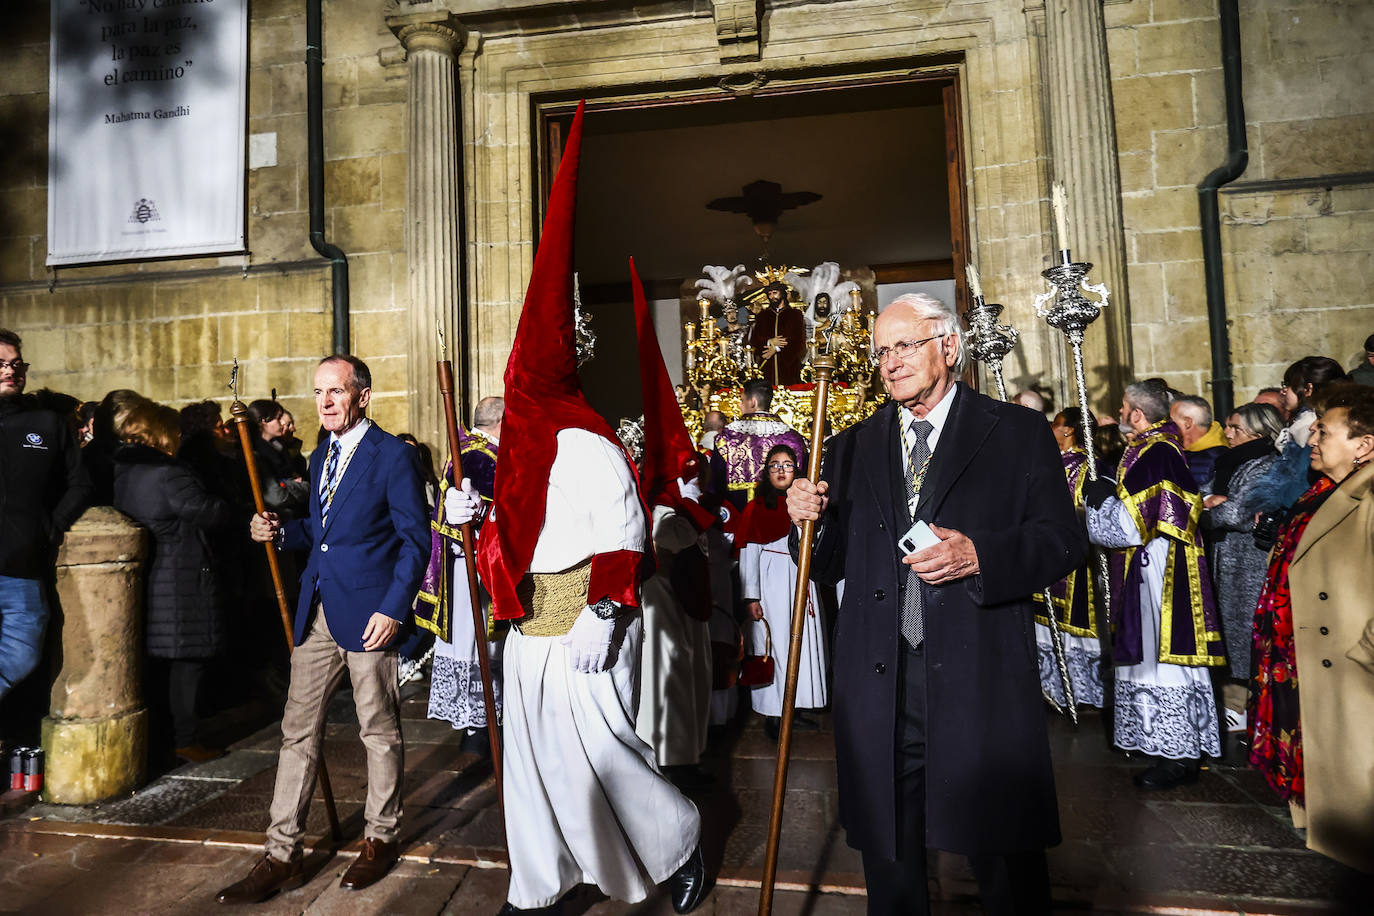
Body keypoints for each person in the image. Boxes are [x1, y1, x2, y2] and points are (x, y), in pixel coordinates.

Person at [453, 103, 705, 915]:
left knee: (602, 758)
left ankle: (677, 844)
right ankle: (539, 885)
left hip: (581, 626)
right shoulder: (520, 452)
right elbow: (511, 536)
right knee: (529, 766)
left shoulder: (588, 443)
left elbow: (627, 529)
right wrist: (471, 513)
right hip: (527, 629)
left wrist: (605, 609)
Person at [786, 292, 1086, 914]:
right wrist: (805, 524)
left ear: (947, 346)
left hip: (979, 668)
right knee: (890, 855)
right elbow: (830, 561)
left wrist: (982, 554)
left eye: (904, 345)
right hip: (880, 675)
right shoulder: (849, 447)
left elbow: (1061, 542)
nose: (890, 362)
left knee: (1000, 848)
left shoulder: (1015, 432)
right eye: (880, 352)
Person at [215, 354, 430, 903]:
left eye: (335, 391)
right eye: (317, 393)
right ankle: (281, 853)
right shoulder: (321, 453)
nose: (325, 402)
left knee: (377, 730)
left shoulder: (392, 456)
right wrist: (281, 529)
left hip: (371, 616)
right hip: (318, 611)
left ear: (362, 394)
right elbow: (323, 529)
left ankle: (381, 837)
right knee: (296, 731)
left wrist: (394, 608)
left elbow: (415, 540)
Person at [1085, 379, 1227, 790]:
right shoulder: (1153, 449)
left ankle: (1177, 754)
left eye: (1125, 406)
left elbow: (1128, 527)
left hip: (1160, 573)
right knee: (1153, 656)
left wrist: (1101, 503)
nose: (1122, 412)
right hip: (1152, 567)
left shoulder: (1156, 452)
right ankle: (1167, 746)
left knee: (1164, 660)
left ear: (1136, 413)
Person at [113, 401, 237, 764]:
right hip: (181, 573)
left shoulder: (122, 469)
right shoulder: (168, 474)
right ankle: (185, 738)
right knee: (187, 660)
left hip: (152, 572)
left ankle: (165, 738)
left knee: (162, 663)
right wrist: (230, 506)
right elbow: (205, 511)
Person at [1287, 384, 1374, 873]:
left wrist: (1366, 652)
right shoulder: (1333, 493)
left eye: (1324, 431)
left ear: (1364, 445)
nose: (1312, 440)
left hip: (1359, 673)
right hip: (1336, 671)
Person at [0, 329, 91, 706]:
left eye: (17, 364)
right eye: (2, 364)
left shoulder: (46, 423)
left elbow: (80, 484)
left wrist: (50, 527)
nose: (11, 370)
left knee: (23, 655)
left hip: (21, 565)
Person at [420, 397, 505, 756]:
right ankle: (479, 728)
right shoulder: (479, 457)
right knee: (477, 649)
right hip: (475, 570)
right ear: (503, 420)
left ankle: (481, 725)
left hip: (472, 568)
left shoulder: (469, 449)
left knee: (478, 647)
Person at [1202, 402, 1283, 730]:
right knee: (1228, 630)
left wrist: (1214, 507)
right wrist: (1211, 504)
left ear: (1258, 432)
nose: (1228, 433)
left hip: (1248, 563)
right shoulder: (1229, 464)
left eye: (1235, 427)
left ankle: (1242, 705)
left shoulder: (1265, 465)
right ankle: (1234, 701)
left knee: (1244, 633)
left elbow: (1236, 514)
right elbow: (1201, 498)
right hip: (1226, 559)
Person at [739, 444, 827, 739]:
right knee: (777, 645)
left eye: (787, 465)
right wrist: (752, 597)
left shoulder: (807, 502)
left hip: (802, 575)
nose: (780, 470)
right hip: (772, 583)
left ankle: (797, 708)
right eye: (775, 465)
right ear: (767, 471)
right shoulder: (757, 507)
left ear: (796, 470)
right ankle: (774, 715)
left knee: (802, 644)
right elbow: (749, 553)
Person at [1035, 408, 1104, 709]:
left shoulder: (1091, 468)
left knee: (1075, 624)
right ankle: (1052, 690)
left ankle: (1083, 692)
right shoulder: (1045, 463)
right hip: (1043, 553)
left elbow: (1097, 512)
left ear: (1069, 431)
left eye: (1056, 423)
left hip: (1077, 561)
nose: (1051, 428)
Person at [1250, 356, 1348, 518]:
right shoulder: (1306, 421)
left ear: (1308, 389)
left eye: (1288, 385)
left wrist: (1274, 505)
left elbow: (1301, 480)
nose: (1283, 391)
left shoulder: (1308, 424)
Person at [713, 378, 806, 510]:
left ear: (753, 402)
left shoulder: (727, 437)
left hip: (738, 519)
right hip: (785, 518)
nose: (740, 405)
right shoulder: (794, 438)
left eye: (742, 400)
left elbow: (715, 486)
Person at [749, 281, 806, 385]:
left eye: (775, 292)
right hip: (767, 367)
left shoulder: (795, 315)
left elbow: (798, 341)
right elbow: (755, 340)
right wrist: (769, 341)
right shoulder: (763, 316)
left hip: (789, 367)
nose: (772, 296)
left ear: (783, 293)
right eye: (769, 294)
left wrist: (776, 349)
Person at [1170, 394, 1229, 490]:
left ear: (1187, 422)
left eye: (1171, 421)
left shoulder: (1219, 459)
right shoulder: (1175, 451)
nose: (1165, 426)